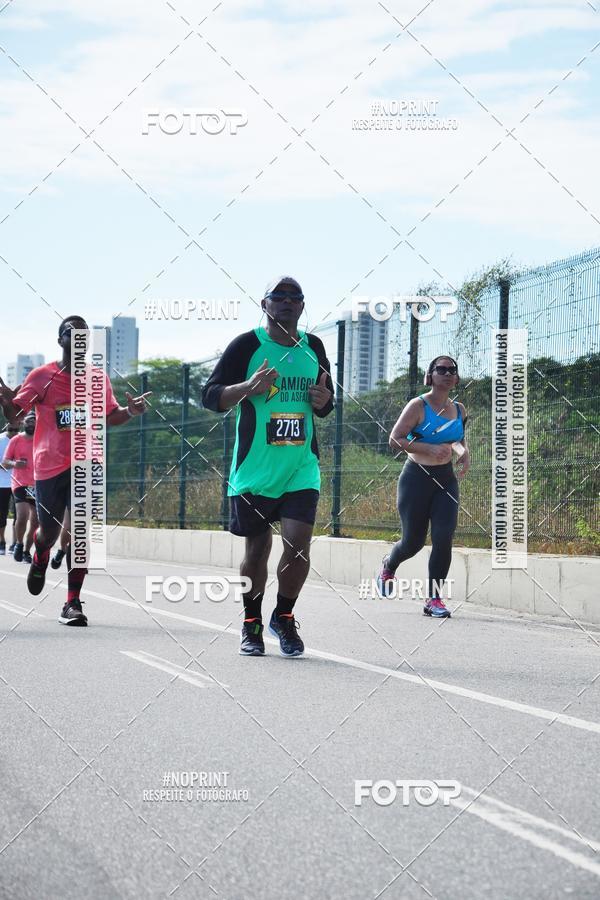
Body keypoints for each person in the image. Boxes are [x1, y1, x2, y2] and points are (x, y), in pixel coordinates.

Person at [202, 277, 334, 656]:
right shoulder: (246, 346)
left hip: (301, 467)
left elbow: (326, 405)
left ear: (303, 306)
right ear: (265, 303)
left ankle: (285, 617)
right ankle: (252, 622)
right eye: (281, 297)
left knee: (299, 546)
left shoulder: (315, 347)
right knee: (257, 550)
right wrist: (247, 388)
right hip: (254, 470)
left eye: (296, 297)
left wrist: (324, 400)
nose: (288, 303)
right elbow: (211, 397)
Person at [0, 315, 151, 626]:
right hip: (49, 465)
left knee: (81, 535)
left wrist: (131, 411)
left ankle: (72, 603)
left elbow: (111, 415)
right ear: (61, 341)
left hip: (87, 463)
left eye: (84, 332)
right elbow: (16, 416)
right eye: (72, 332)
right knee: (50, 533)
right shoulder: (42, 376)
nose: (79, 336)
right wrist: (5, 402)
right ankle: (41, 554)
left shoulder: (98, 378)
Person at [377, 355, 470, 617]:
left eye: (452, 370)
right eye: (441, 369)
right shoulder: (418, 406)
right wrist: (426, 447)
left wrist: (463, 453)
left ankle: (434, 599)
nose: (448, 373)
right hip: (416, 479)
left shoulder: (460, 409)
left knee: (443, 538)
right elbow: (395, 438)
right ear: (430, 376)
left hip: (445, 481)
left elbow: (456, 440)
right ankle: (389, 565)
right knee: (413, 542)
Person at [2, 412, 38, 563]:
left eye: (34, 421)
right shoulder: (16, 440)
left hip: (37, 484)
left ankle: (27, 551)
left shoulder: (41, 439)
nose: (32, 424)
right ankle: (18, 543)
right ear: (23, 423)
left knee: (36, 521)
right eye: (29, 421)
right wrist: (15, 464)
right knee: (22, 515)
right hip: (20, 482)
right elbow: (5, 462)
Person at [0, 423, 19, 555]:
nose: (13, 432)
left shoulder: (22, 439)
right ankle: (1, 542)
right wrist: (11, 464)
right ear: (6, 426)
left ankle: (15, 543)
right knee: (2, 514)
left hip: (19, 482)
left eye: (16, 430)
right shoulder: (1, 440)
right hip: (2, 483)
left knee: (20, 515)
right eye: (11, 429)